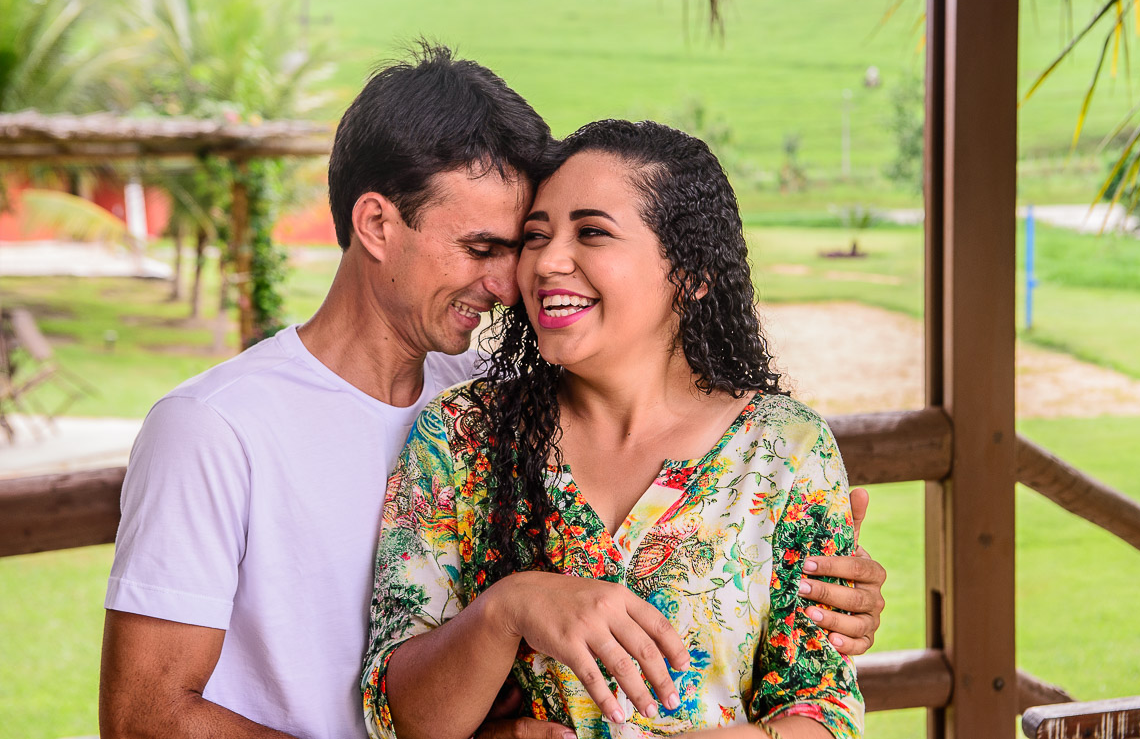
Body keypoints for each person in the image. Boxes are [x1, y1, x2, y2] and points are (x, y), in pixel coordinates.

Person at [99, 47, 884, 739]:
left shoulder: (494, 403)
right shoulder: (216, 428)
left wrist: (825, 587)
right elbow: (145, 718)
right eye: (489, 246)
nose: (520, 277)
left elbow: (794, 668)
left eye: (523, 243)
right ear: (376, 224)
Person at [362, 120, 868, 739]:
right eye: (536, 236)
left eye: (592, 232)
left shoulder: (786, 450)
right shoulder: (462, 435)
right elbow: (400, 719)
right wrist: (510, 607)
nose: (547, 261)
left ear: (691, 273)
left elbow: (823, 714)